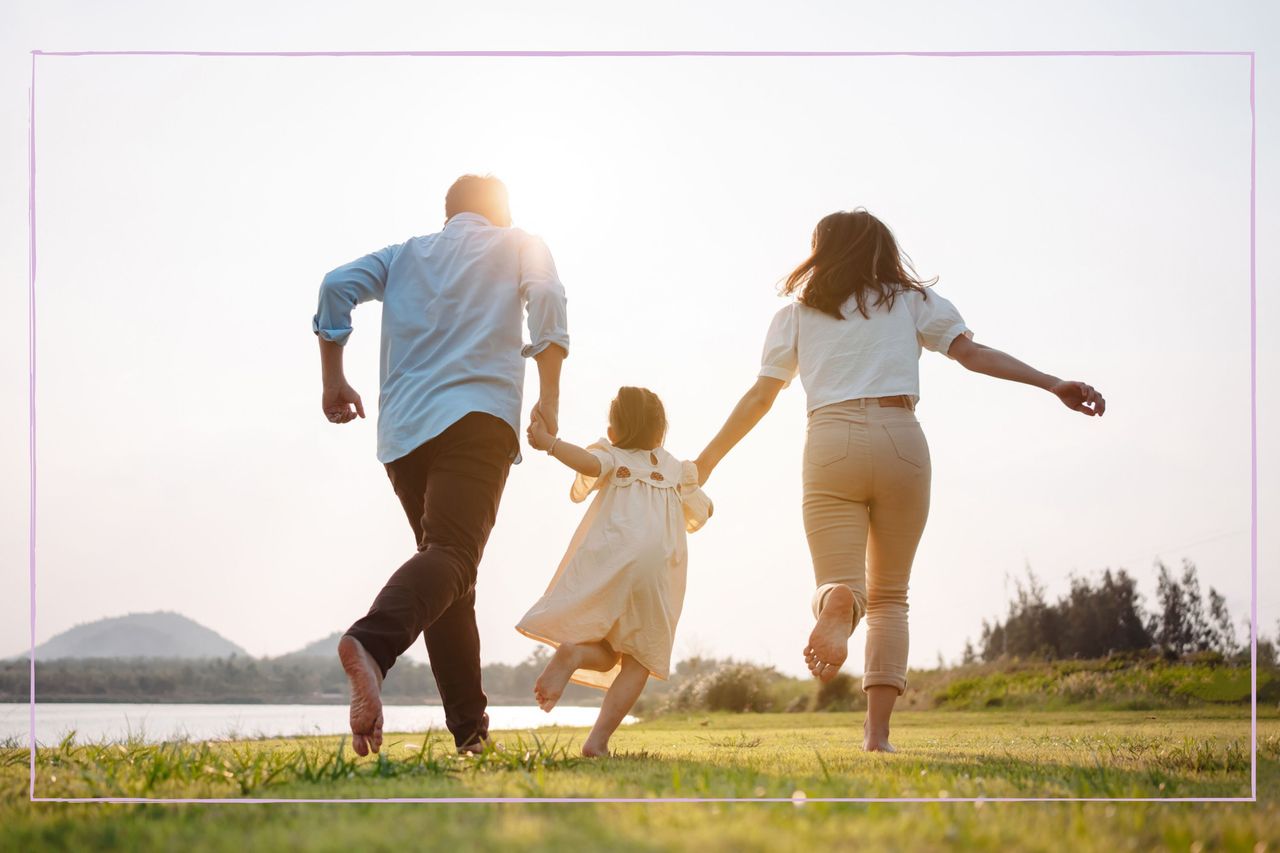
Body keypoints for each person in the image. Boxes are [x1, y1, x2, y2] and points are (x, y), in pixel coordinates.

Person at [694, 209, 1104, 752]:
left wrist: (707, 461)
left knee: (842, 583)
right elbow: (971, 354)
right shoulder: (913, 302)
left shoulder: (796, 316)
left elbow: (762, 396)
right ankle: (878, 736)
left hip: (830, 440)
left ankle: (838, 601)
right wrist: (1052, 383)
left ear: (821, 252)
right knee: (891, 597)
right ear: (884, 251)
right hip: (900, 439)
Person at [312, 174, 569, 756]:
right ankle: (372, 647)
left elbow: (334, 285)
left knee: (451, 578)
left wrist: (334, 380)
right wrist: (549, 395)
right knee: (453, 558)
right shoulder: (519, 241)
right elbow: (548, 298)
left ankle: (471, 735)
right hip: (477, 417)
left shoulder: (404, 255)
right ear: (501, 211)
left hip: (403, 433)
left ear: (448, 213)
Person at [517, 387, 713, 757]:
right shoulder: (676, 469)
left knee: (606, 651)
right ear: (660, 430)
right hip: (655, 573)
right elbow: (703, 510)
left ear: (615, 429)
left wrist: (550, 443)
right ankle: (597, 741)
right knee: (639, 660)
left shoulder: (612, 456)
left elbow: (588, 465)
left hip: (614, 560)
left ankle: (573, 653)